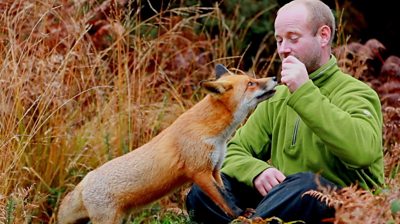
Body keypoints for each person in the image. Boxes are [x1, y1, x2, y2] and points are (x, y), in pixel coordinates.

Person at [185, 0, 384, 223]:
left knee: (306, 186)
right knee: (206, 191)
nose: (283, 49)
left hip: (344, 208)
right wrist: (257, 171)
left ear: (323, 36)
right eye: (279, 40)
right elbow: (234, 151)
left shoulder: (357, 93)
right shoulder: (278, 97)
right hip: (285, 202)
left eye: (293, 38)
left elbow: (362, 152)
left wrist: (304, 91)